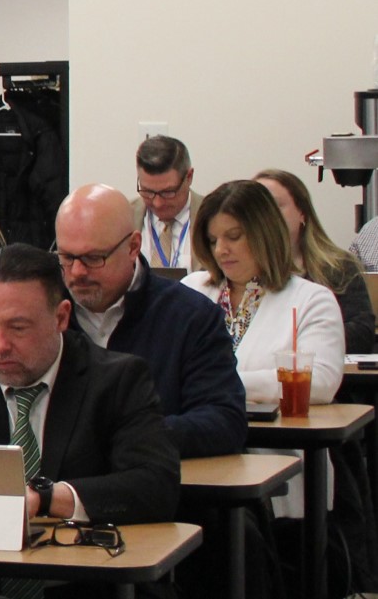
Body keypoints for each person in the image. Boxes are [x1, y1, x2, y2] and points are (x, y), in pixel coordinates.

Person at [0, 245, 178, 536]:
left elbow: (156, 487)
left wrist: (45, 498)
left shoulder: (117, 380)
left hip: (81, 571)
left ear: (61, 317)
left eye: (18, 328)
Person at [184, 179, 346, 520]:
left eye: (234, 236)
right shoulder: (193, 290)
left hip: (280, 472)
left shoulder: (310, 299)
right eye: (213, 240)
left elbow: (321, 382)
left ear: (265, 232)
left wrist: (220, 385)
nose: (221, 250)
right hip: (200, 462)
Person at [55, 184, 246, 458]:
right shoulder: (42, 312)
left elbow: (224, 421)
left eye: (94, 258)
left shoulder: (190, 316)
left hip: (158, 489)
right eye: (67, 257)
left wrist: (132, 436)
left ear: (133, 246)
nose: (77, 272)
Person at [256, 168, 378, 353]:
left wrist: (297, 341)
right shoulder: (237, 271)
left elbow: (361, 334)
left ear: (302, 213)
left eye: (275, 205)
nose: (266, 215)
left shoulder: (338, 267)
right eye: (257, 208)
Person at [135, 136, 199, 273]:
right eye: (148, 191)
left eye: (168, 192)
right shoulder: (123, 217)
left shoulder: (214, 215)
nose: (157, 203)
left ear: (189, 177)